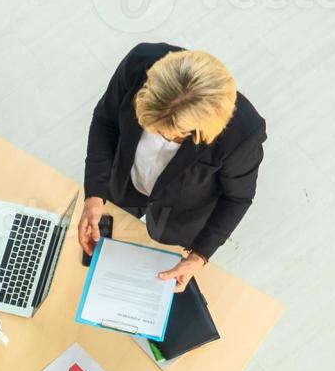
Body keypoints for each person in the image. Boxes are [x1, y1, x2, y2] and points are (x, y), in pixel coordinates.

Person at [79, 44, 266, 292]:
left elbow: (238, 198)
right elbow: (106, 121)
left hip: (180, 215)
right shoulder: (138, 63)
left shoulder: (243, 133)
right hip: (124, 183)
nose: (159, 138)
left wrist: (198, 257)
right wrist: (94, 195)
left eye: (172, 137)